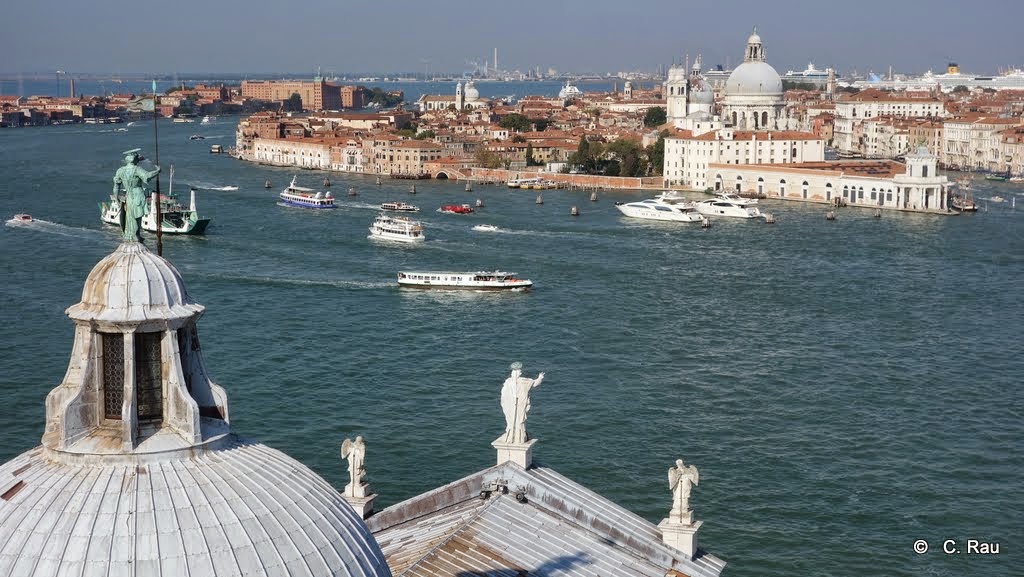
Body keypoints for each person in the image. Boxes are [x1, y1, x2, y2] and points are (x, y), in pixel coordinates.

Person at [112, 149, 160, 242]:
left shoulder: (120, 170)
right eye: (137, 158)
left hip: (129, 194)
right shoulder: (137, 169)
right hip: (138, 193)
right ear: (134, 159)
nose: (138, 160)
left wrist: (116, 198)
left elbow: (116, 186)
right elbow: (147, 176)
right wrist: (157, 171)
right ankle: (135, 235)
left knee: (130, 214)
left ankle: (131, 234)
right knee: (137, 215)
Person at [499, 362, 544, 444]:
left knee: (512, 421)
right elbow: (535, 383)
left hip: (510, 407)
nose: (521, 372)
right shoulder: (523, 382)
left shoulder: (508, 382)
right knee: (519, 421)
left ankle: (511, 436)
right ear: (516, 372)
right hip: (519, 406)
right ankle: (518, 437)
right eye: (519, 371)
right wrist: (540, 377)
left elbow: (503, 397)